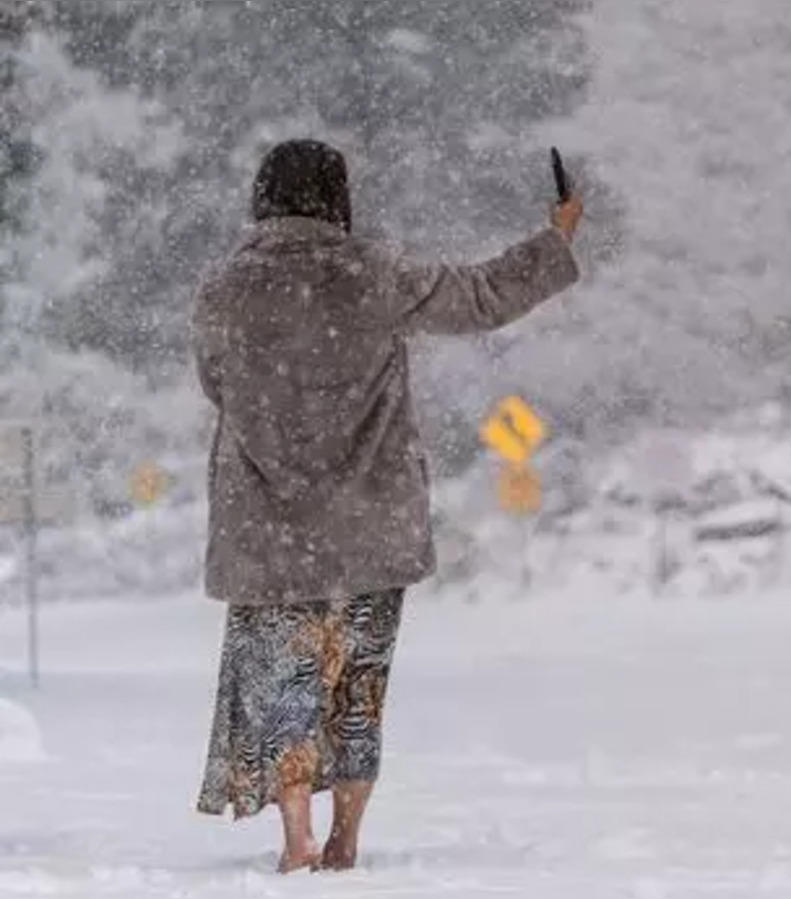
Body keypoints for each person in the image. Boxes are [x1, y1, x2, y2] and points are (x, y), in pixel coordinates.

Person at [190, 139, 582, 873]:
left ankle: (296, 835)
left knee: (286, 681)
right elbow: (483, 295)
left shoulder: (223, 289)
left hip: (270, 530)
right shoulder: (374, 273)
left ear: (263, 197)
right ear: (337, 197)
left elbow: (216, 384)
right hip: (370, 524)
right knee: (358, 682)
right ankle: (346, 837)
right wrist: (556, 239)